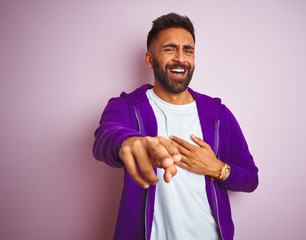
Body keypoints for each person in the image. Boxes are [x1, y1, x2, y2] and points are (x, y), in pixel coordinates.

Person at [93, 13, 258, 240]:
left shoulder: (218, 114)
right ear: (150, 60)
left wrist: (217, 168)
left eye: (188, 50)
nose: (180, 58)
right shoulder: (127, 107)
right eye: (170, 49)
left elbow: (251, 178)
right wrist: (131, 142)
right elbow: (107, 136)